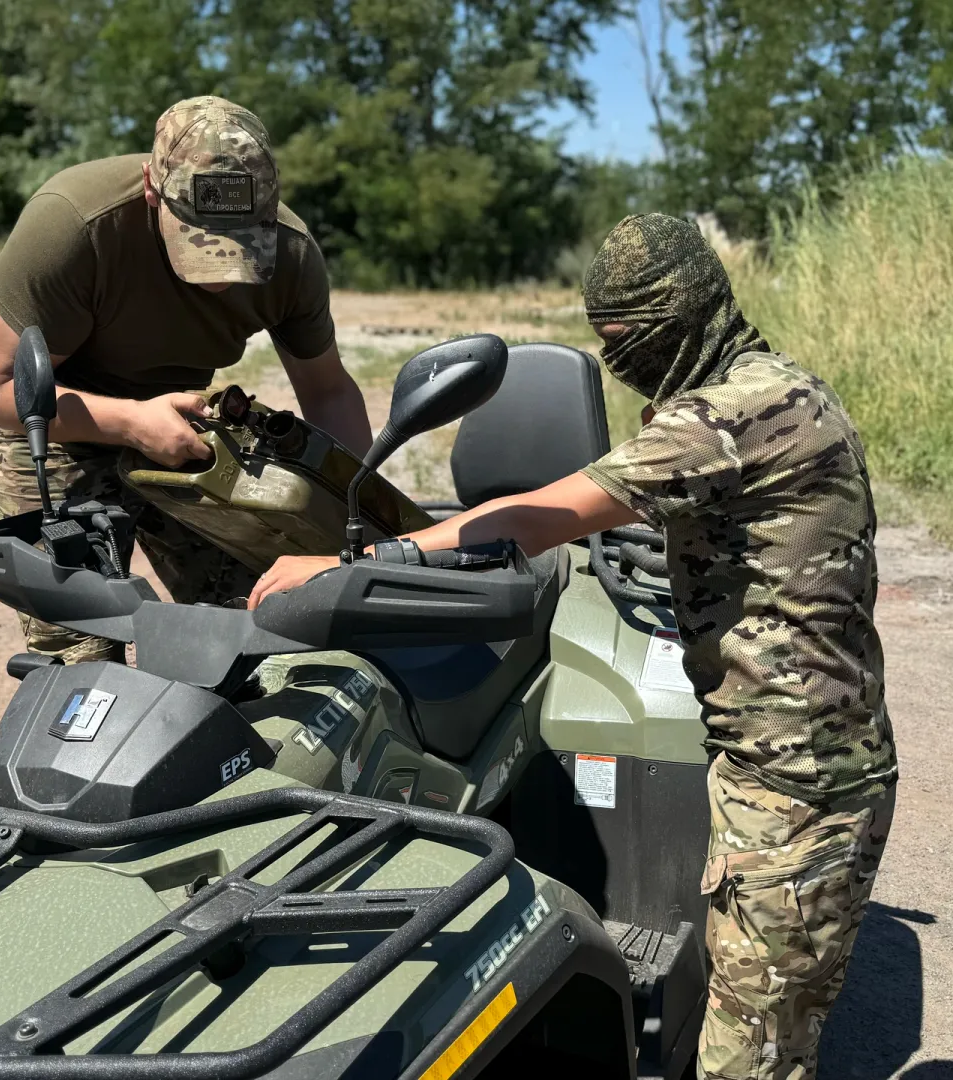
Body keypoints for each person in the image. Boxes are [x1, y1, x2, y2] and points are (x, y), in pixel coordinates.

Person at [249, 213, 898, 1080]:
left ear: (677, 318)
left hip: (800, 787)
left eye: (624, 337)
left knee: (754, 1056)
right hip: (789, 765)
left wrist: (365, 559)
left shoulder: (734, 415)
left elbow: (542, 514)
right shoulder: (777, 385)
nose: (615, 356)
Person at [0, 96, 371, 663]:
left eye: (239, 247)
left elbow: (328, 390)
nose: (218, 275)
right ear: (151, 189)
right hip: (55, 412)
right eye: (198, 241)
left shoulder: (292, 256)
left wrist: (357, 516)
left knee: (256, 623)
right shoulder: (73, 226)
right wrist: (132, 421)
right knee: (82, 648)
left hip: (178, 422)